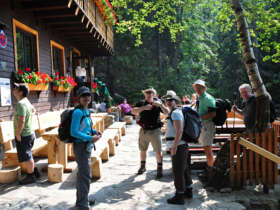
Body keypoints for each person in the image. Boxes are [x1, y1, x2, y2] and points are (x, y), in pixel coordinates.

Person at [71, 86, 102, 210]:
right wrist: (90, 138)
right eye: (83, 96)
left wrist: (95, 131)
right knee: (84, 175)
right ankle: (82, 205)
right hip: (80, 147)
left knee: (84, 174)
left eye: (88, 95)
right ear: (79, 98)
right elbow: (74, 132)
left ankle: (83, 199)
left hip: (86, 146)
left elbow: (86, 128)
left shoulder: (86, 111)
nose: (86, 98)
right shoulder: (78, 112)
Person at [162, 91, 193, 205]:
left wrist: (174, 146)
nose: (168, 102)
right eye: (167, 100)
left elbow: (179, 131)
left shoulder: (176, 113)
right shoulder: (175, 112)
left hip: (179, 146)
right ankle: (188, 190)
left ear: (175, 101)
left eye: (171, 100)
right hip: (180, 145)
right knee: (184, 169)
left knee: (178, 171)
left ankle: (179, 196)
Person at [132, 88, 169, 179]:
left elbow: (167, 112)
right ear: (145, 95)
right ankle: (142, 167)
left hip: (155, 130)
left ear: (155, 95)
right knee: (142, 150)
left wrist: (160, 105)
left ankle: (159, 169)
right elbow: (133, 111)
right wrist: (143, 108)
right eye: (147, 95)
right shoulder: (141, 103)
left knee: (158, 151)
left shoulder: (158, 103)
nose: (149, 96)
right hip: (144, 130)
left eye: (151, 94)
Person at [12, 83, 39, 185]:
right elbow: (34, 110)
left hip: (24, 135)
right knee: (28, 154)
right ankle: (35, 171)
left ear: (21, 92)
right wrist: (34, 112)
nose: (14, 90)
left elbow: (21, 120)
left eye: (16, 89)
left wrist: (18, 134)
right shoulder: (27, 102)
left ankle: (30, 176)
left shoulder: (21, 104)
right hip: (30, 133)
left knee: (27, 157)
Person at [192, 80, 216, 168]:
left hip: (208, 126)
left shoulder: (208, 98)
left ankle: (211, 170)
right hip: (202, 127)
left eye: (200, 87)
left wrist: (198, 118)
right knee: (206, 150)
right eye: (196, 88)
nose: (197, 89)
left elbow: (213, 114)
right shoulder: (200, 98)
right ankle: (210, 168)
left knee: (208, 151)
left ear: (204, 88)